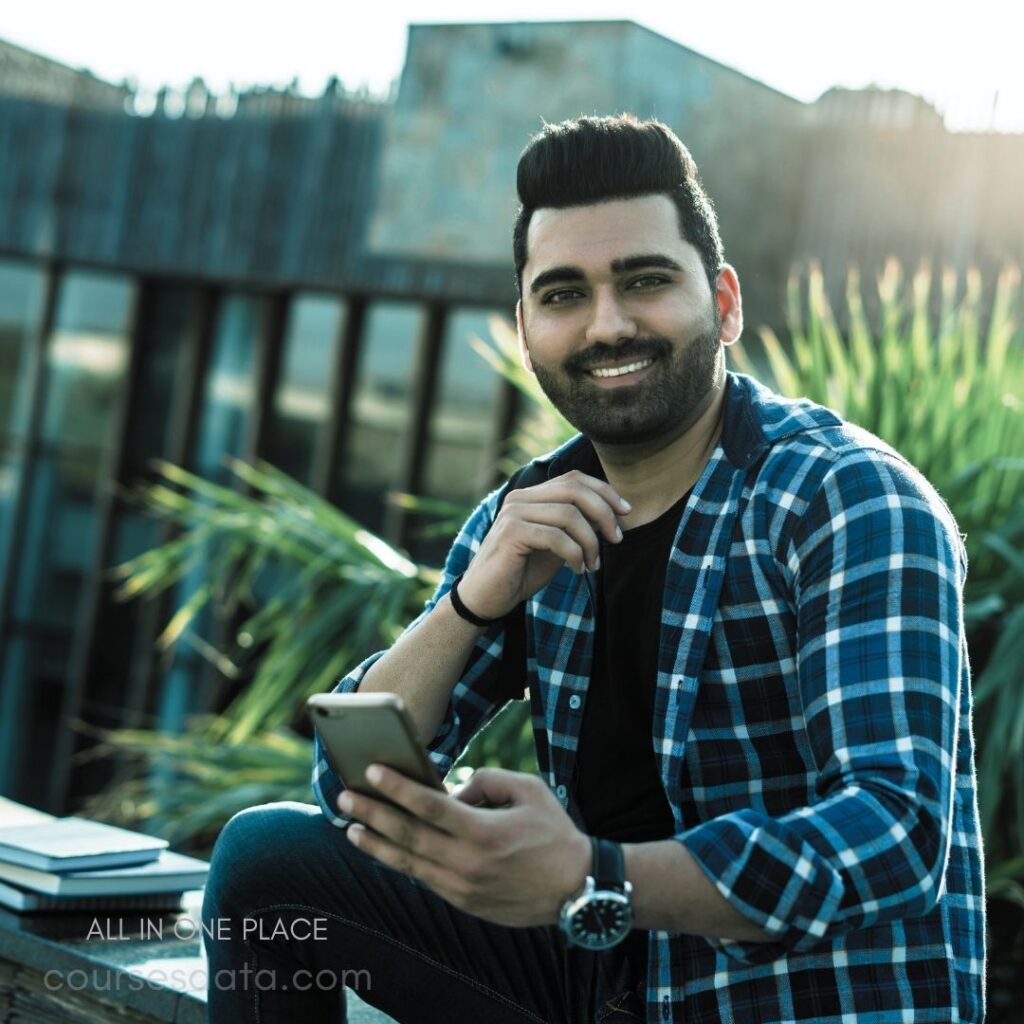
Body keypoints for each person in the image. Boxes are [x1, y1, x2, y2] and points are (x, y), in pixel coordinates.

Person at [202, 114, 985, 1023]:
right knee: (268, 865)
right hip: (600, 979)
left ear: (724, 303)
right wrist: (470, 603)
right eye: (564, 294)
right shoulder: (529, 516)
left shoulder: (846, 499)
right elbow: (351, 791)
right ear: (528, 328)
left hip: (794, 999)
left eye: (645, 281)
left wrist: (591, 873)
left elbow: (896, 834)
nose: (607, 325)